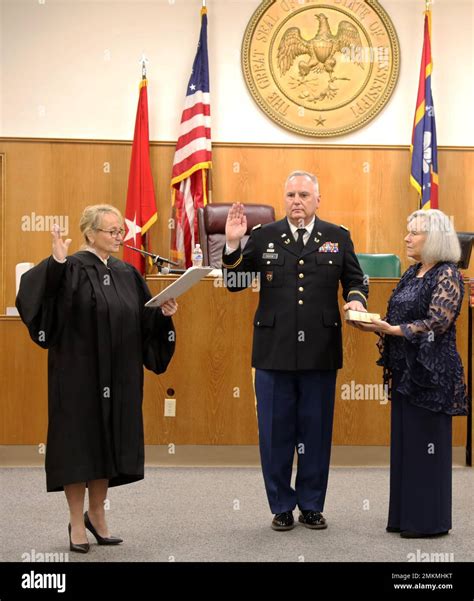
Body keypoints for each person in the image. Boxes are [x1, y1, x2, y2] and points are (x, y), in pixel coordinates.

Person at [16, 204, 178, 553]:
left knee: (107, 441)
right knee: (79, 445)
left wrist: (163, 316)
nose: (119, 236)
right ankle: (76, 521)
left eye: (121, 231)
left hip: (119, 376)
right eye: (111, 231)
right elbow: (38, 302)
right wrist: (56, 263)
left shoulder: (126, 273)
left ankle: (98, 514)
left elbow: (143, 322)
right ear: (90, 233)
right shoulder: (70, 267)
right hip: (77, 376)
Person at [222, 171, 368, 531]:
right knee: (275, 432)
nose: (297, 200)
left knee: (315, 431)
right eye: (290, 194)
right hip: (274, 351)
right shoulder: (265, 236)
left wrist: (355, 300)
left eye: (304, 194)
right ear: (284, 198)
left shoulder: (337, 236)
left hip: (320, 350)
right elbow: (235, 283)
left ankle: (312, 504)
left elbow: (356, 279)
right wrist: (232, 246)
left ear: (319, 199)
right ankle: (282, 505)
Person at [355, 209, 468, 538]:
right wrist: (374, 324)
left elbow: (437, 322)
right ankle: (404, 517)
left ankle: (428, 522)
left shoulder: (448, 274)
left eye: (414, 233)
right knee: (407, 446)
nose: (406, 237)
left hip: (430, 374)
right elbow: (396, 317)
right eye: (408, 231)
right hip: (406, 373)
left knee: (426, 447)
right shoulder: (412, 272)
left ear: (434, 238)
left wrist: (393, 329)